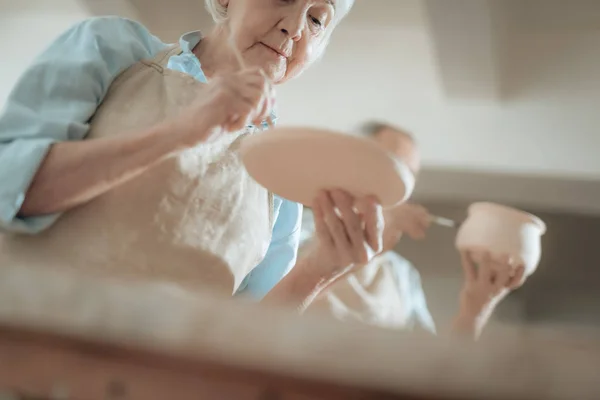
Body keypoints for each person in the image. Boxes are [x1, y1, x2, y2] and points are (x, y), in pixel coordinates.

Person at [0, 0, 392, 311]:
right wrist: (181, 132)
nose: (295, 26)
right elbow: (12, 189)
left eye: (318, 19)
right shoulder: (111, 48)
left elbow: (244, 341)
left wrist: (320, 269)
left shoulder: (282, 176)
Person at [305, 122, 526, 339]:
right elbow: (276, 313)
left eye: (410, 177)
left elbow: (434, 368)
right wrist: (374, 238)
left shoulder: (402, 275)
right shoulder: (294, 236)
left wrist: (476, 309)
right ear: (347, 168)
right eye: (392, 167)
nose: (402, 186)